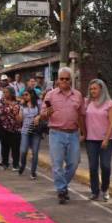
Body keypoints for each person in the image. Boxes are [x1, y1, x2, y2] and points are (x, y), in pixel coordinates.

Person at [39, 67, 85, 204]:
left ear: (71, 80)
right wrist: (46, 113)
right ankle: (61, 190)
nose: (64, 81)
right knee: (57, 164)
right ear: (58, 80)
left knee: (74, 163)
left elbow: (81, 115)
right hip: (56, 133)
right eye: (61, 78)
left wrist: (84, 132)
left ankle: (62, 185)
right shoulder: (50, 95)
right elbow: (42, 114)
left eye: (67, 78)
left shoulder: (78, 95)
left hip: (73, 134)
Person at [84, 79, 112, 201]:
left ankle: (105, 189)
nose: (92, 91)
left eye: (95, 88)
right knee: (93, 166)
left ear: (101, 89)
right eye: (91, 89)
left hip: (106, 140)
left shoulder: (110, 104)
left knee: (105, 166)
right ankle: (94, 191)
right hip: (91, 140)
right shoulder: (87, 102)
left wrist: (106, 139)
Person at [18, 88, 42, 179]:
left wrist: (38, 117)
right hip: (25, 130)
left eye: (26, 94)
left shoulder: (38, 103)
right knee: (23, 151)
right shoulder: (22, 105)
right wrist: (18, 114)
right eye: (23, 95)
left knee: (35, 152)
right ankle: (22, 165)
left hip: (36, 131)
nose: (24, 96)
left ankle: (33, 172)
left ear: (32, 94)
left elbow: (43, 113)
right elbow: (20, 119)